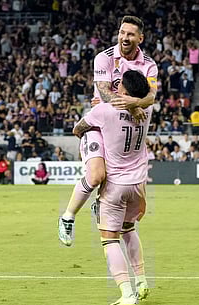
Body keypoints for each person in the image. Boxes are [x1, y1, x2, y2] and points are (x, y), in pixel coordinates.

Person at [59, 16, 158, 228]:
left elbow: (152, 97)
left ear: (140, 38)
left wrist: (137, 104)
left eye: (130, 34)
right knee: (96, 176)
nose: (125, 37)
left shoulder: (149, 65)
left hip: (127, 126)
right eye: (122, 32)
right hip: (100, 122)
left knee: (123, 183)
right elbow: (103, 94)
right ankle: (67, 217)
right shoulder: (104, 58)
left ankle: (101, 204)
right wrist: (134, 105)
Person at [64, 70, 152, 305]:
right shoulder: (147, 112)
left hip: (115, 185)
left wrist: (93, 122)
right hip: (138, 184)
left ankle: (126, 293)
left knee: (110, 240)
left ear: (123, 90)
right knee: (129, 230)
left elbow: (77, 129)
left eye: (119, 85)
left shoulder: (104, 112)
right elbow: (145, 100)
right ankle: (142, 281)